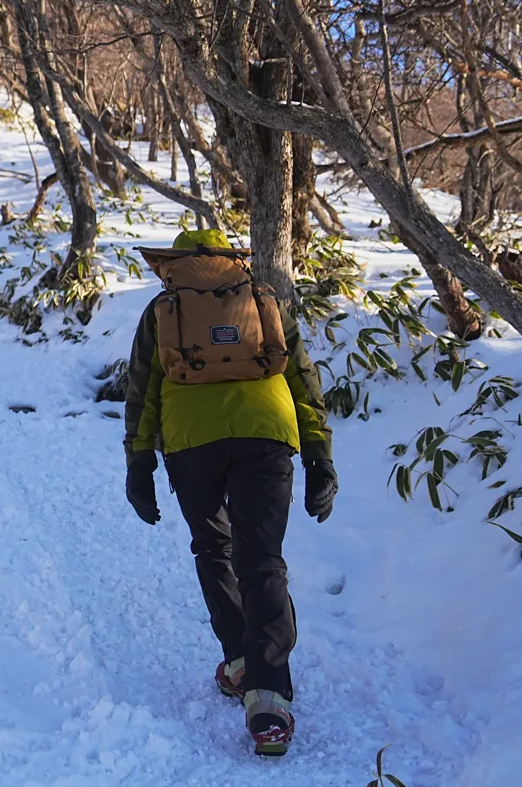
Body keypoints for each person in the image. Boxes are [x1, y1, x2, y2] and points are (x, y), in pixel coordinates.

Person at [122, 228, 336, 757]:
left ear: (178, 263)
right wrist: (318, 455)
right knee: (262, 559)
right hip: (266, 435)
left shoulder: (162, 309)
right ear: (229, 260)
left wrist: (139, 461)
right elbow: (303, 378)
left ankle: (241, 663)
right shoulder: (264, 300)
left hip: (191, 443)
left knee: (215, 548)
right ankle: (270, 699)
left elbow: (143, 387)